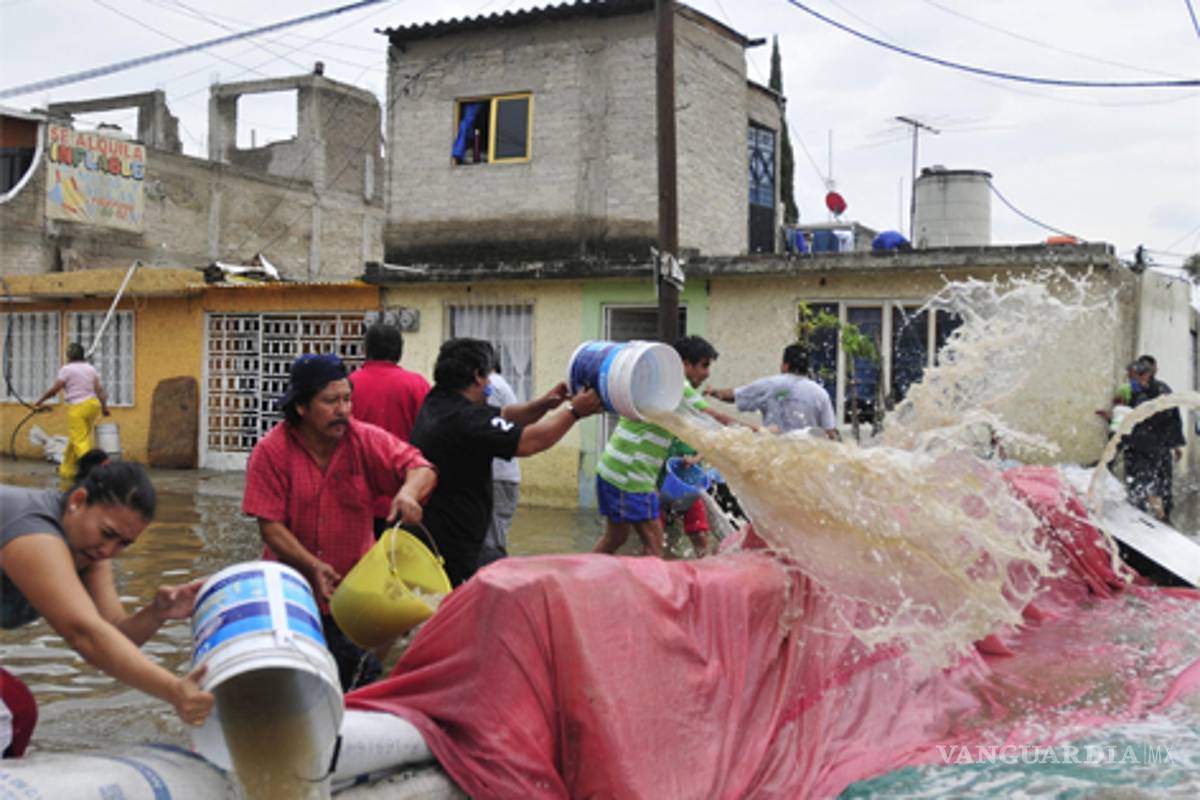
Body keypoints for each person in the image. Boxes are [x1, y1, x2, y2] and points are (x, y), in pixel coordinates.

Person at [242, 352, 437, 691]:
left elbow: (420, 467)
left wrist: (407, 493)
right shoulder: (271, 451)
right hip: (291, 592)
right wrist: (312, 565)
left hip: (356, 589)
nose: (343, 410)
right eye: (330, 401)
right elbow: (269, 525)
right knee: (292, 685)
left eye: (347, 399)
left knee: (360, 679)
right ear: (301, 407)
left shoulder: (364, 440)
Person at [1, 459, 214, 757]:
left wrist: (157, 613)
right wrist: (174, 690)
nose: (108, 551)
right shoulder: (34, 531)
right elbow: (84, 633)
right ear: (78, 501)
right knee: (13, 710)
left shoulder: (89, 553)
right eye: (107, 533)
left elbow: (113, 636)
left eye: (123, 544)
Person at [409, 338, 603, 587]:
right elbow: (530, 442)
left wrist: (545, 404)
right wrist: (574, 413)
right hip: (454, 544)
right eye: (487, 376)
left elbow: (505, 415)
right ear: (478, 376)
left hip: (440, 533)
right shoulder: (464, 419)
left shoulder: (439, 402)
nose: (490, 383)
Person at [593, 336, 742, 559]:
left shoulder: (658, 384)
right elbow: (712, 417)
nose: (707, 373)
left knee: (616, 539)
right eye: (703, 365)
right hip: (631, 476)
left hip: (613, 468)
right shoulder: (677, 387)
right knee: (654, 545)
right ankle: (650, 592)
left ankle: (580, 578)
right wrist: (757, 434)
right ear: (684, 365)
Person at [350, 321, 432, 538]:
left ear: (365, 350)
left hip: (356, 497)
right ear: (400, 351)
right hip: (405, 497)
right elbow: (430, 437)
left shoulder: (347, 386)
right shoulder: (417, 385)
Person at [704, 343, 838, 438]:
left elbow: (735, 395)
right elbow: (830, 431)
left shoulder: (770, 385)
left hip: (775, 456)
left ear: (785, 365)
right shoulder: (820, 393)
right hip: (806, 460)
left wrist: (715, 393)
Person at [34, 342, 110, 483]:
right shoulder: (90, 369)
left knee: (80, 441)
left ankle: (92, 472)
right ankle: (67, 470)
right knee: (76, 439)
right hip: (92, 406)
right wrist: (104, 407)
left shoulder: (66, 370)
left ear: (69, 356)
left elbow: (55, 389)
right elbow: (100, 390)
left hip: (78, 407)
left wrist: (41, 400)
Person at [1122, 356, 1185, 522]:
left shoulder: (1160, 390)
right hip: (1138, 447)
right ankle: (1141, 520)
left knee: (1158, 487)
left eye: (1134, 375)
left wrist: (1175, 445)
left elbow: (1172, 418)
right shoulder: (1131, 390)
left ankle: (1163, 519)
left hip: (1154, 447)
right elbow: (1124, 414)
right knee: (1138, 486)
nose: (1132, 378)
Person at [478, 358, 521, 569]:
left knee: (492, 546)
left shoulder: (491, 385)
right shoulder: (499, 384)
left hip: (497, 476)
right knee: (492, 541)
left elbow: (486, 428)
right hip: (501, 475)